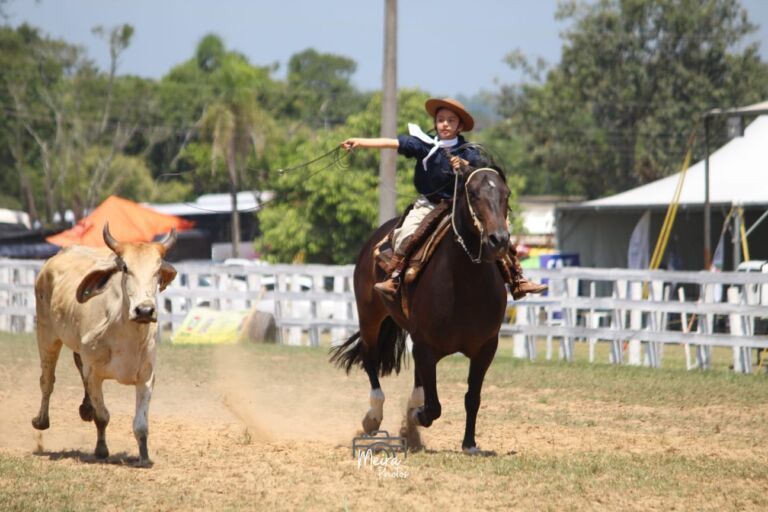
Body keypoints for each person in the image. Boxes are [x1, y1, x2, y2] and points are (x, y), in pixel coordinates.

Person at [342, 97, 546, 301]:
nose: (445, 124)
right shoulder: (424, 145)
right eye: (441, 119)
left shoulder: (471, 152)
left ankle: (517, 278)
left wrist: (465, 166)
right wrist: (360, 142)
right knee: (407, 233)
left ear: (460, 126)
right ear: (435, 123)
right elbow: (392, 142)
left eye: (450, 120)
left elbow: (483, 176)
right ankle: (394, 278)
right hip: (428, 205)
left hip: (460, 207)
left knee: (496, 234)